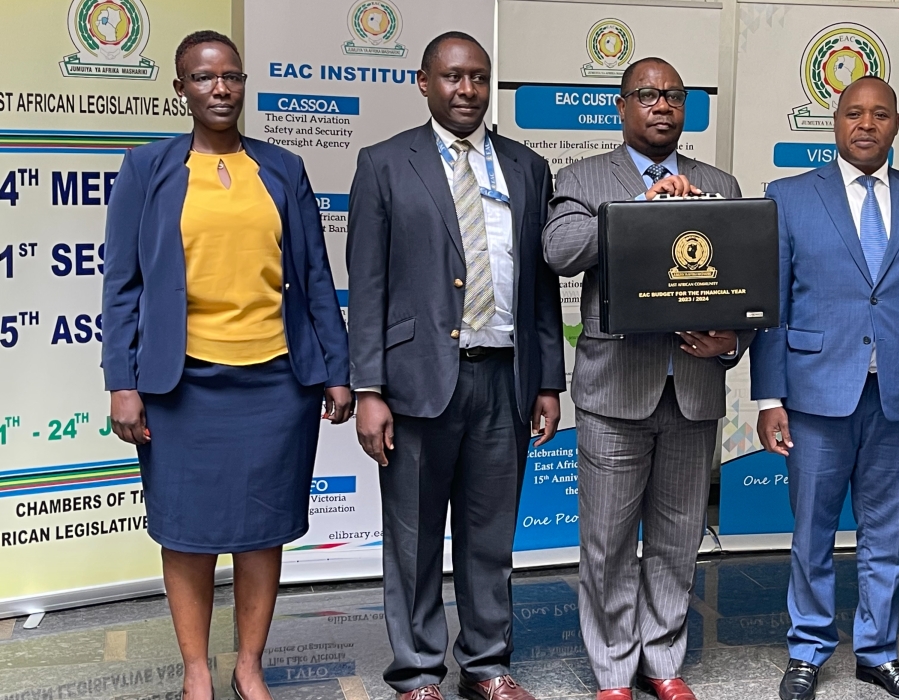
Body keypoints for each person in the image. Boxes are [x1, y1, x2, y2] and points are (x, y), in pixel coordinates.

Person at [101, 30, 351, 700]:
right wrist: (122, 382)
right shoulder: (146, 169)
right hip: (179, 387)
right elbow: (121, 284)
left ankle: (248, 665)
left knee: (261, 529)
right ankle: (197, 672)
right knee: (185, 531)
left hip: (274, 382)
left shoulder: (281, 167)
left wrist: (336, 368)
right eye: (205, 78)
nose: (221, 88)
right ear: (180, 89)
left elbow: (315, 277)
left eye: (232, 77)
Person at [346, 31, 565, 700]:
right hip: (416, 383)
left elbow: (542, 287)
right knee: (413, 540)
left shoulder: (526, 167)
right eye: (451, 77)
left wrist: (549, 379)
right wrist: (369, 388)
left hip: (505, 378)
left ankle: (488, 666)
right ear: (423, 82)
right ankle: (416, 674)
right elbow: (369, 281)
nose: (466, 90)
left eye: (477, 78)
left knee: (491, 536)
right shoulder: (385, 163)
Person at [543, 57, 753, 700]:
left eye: (673, 96)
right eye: (647, 95)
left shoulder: (719, 181)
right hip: (616, 389)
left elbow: (745, 284)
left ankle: (662, 662)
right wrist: (638, 208)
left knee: (677, 538)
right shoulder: (582, 178)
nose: (662, 105)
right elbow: (560, 252)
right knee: (606, 543)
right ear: (622, 106)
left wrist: (732, 340)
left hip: (692, 389)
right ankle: (612, 671)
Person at [750, 76, 899, 700]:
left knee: (889, 534)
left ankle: (877, 652)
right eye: (853, 113)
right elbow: (774, 307)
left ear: (897, 124)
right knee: (812, 531)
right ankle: (808, 648)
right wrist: (770, 398)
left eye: (879, 114)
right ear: (835, 122)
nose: (865, 124)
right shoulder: (789, 197)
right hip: (815, 393)